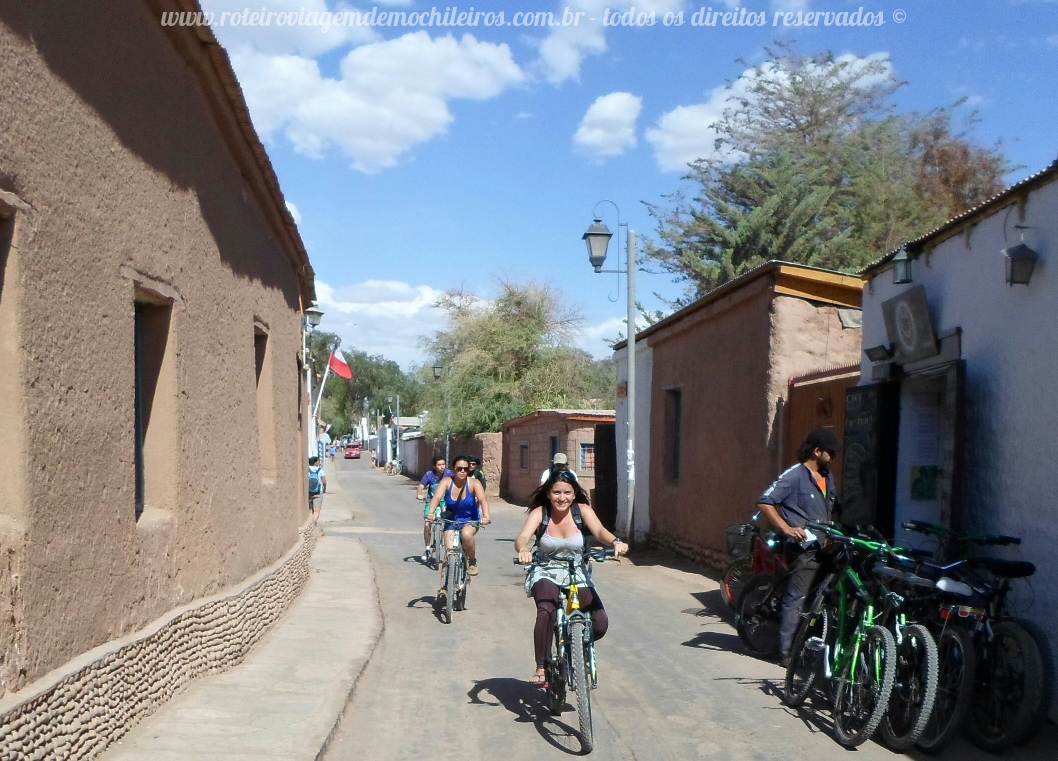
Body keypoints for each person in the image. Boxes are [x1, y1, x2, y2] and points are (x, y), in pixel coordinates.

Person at [514, 471, 627, 685]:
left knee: (600, 623)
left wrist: (615, 542)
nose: (562, 498)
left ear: (574, 495)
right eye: (556, 492)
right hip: (546, 570)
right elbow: (522, 537)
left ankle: (574, 644)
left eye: (567, 493)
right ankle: (542, 666)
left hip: (576, 571)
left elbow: (600, 531)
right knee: (546, 610)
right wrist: (523, 550)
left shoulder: (582, 511)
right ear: (548, 493)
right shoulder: (541, 513)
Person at [756, 426, 840, 665]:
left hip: (825, 547)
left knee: (821, 597)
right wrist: (786, 528)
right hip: (803, 549)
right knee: (797, 598)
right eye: (830, 452)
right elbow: (765, 501)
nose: (833, 457)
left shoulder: (827, 476)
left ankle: (811, 645)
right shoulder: (795, 475)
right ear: (816, 451)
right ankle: (786, 653)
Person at [427, 456, 491, 595]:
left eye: (466, 469)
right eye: (459, 468)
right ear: (453, 469)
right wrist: (431, 513)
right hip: (451, 521)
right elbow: (437, 497)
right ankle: (444, 588)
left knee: (466, 535)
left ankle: (472, 561)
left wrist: (486, 516)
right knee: (448, 554)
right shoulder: (446, 482)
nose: (462, 471)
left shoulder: (474, 483)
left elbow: (482, 500)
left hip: (470, 520)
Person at [417, 456, 453, 561]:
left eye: (443, 464)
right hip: (431, 501)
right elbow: (421, 486)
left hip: (444, 501)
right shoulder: (429, 475)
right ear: (434, 466)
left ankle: (449, 544)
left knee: (448, 520)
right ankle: (427, 548)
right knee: (427, 524)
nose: (442, 467)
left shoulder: (449, 474)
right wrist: (419, 494)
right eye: (439, 465)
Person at [308, 456, 327, 522]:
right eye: (318, 461)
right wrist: (324, 489)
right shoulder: (320, 470)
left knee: (310, 509)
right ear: (315, 462)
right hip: (318, 492)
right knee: (317, 510)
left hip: (309, 491)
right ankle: (314, 522)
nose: (319, 462)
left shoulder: (307, 469)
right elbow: (324, 481)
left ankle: (309, 522)